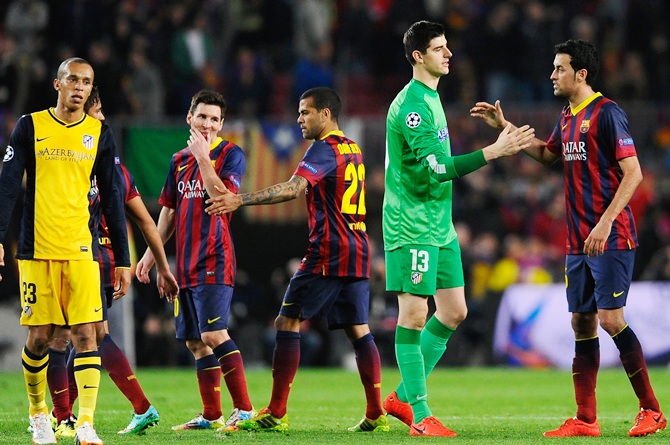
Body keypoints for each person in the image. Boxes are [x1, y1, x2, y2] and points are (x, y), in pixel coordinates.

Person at [470, 39, 667, 438]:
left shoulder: (608, 113)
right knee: (582, 321)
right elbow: (549, 156)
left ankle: (652, 410)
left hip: (609, 235)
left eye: (559, 68)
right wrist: (506, 130)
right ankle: (586, 419)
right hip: (578, 240)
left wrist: (607, 222)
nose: (552, 75)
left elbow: (634, 174)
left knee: (612, 319)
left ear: (581, 74)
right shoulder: (567, 115)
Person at [381, 21, 535, 437]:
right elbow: (436, 167)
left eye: (447, 47)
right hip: (411, 224)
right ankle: (420, 413)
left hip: (439, 225)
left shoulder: (432, 98)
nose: (448, 54)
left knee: (454, 311)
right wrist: (494, 150)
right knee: (413, 316)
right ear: (418, 56)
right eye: (439, 48)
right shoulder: (412, 105)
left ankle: (399, 396)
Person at [205, 86, 389, 433]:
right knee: (358, 329)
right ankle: (376, 413)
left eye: (305, 112)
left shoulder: (323, 148)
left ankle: (275, 412)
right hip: (358, 246)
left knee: (286, 322)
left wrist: (239, 200)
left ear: (325, 114)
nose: (298, 118)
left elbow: (294, 188)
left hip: (329, 250)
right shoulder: (353, 148)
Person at [0, 57, 131, 445]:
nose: (79, 87)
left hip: (81, 250)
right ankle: (39, 415)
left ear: (91, 90)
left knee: (86, 335)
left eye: (86, 82)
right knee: (41, 337)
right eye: (72, 79)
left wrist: (122, 258)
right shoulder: (30, 126)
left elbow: (112, 198)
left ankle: (85, 424)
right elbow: (7, 185)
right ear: (57, 85)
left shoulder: (99, 133)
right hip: (37, 249)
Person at [42, 86, 179, 439]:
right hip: (97, 259)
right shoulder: (110, 165)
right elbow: (145, 221)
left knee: (70, 337)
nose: (102, 118)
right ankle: (86, 412)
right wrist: (154, 265)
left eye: (101, 111)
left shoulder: (82, 162)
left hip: (81, 258)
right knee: (89, 335)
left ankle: (66, 415)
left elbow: (144, 222)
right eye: (97, 112)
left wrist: (155, 265)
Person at [135, 89, 254, 433]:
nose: (208, 124)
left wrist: (204, 157)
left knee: (213, 332)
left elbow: (223, 197)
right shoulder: (176, 161)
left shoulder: (232, 155)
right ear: (190, 118)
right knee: (194, 342)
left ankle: (244, 410)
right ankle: (211, 414)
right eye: (202, 116)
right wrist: (150, 256)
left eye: (215, 119)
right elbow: (169, 213)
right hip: (185, 264)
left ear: (222, 125)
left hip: (215, 257)